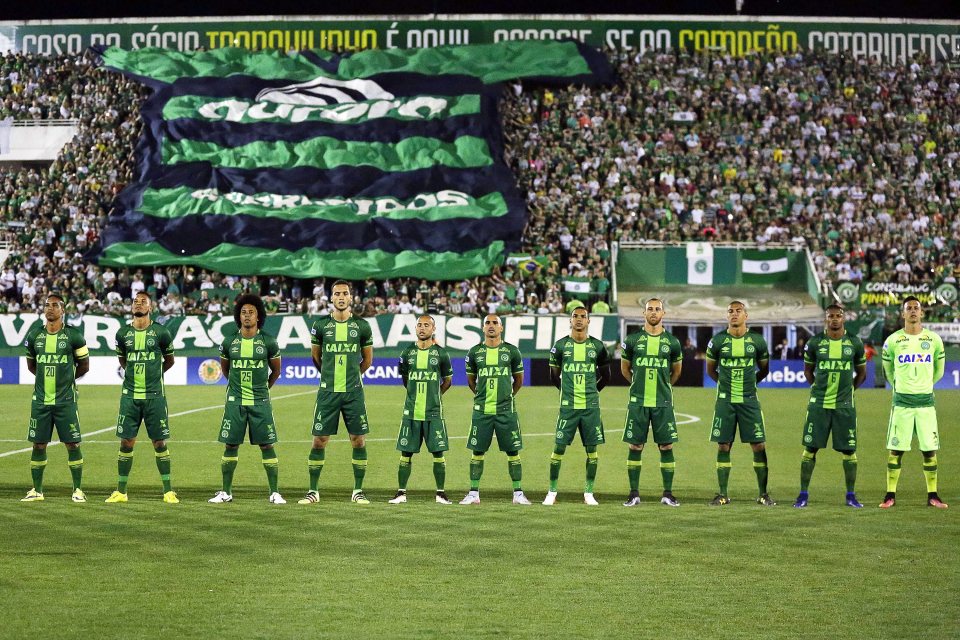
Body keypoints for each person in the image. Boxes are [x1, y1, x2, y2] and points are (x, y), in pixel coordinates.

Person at [299, 280, 373, 505]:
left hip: (353, 393)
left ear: (351, 298)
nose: (341, 297)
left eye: (345, 293)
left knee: (358, 440)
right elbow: (315, 356)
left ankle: (357, 491)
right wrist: (329, 377)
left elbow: (367, 360)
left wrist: (351, 378)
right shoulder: (321, 326)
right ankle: (313, 491)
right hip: (327, 392)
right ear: (331, 298)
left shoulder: (362, 326)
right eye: (337, 294)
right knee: (319, 440)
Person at [208, 294, 284, 504]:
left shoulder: (268, 341)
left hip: (260, 402)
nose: (247, 316)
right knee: (230, 445)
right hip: (236, 402)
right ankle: (226, 492)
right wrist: (237, 389)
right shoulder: (229, 342)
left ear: (258, 316)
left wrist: (262, 390)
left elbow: (276, 371)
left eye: (251, 312)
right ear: (238, 317)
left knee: (267, 445)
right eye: (243, 312)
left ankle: (275, 492)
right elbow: (226, 370)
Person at [105, 291, 178, 504]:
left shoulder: (161, 332)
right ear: (131, 308)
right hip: (130, 397)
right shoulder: (122, 334)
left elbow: (169, 360)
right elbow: (123, 360)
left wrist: (154, 374)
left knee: (159, 442)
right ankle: (121, 491)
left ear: (150, 307)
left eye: (143, 302)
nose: (138, 304)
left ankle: (168, 491)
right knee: (126, 443)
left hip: (155, 396)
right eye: (135, 302)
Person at [793, 304, 867, 508]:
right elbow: (808, 371)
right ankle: (803, 494)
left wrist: (849, 391)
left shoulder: (854, 342)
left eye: (838, 316)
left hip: (844, 406)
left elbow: (862, 373)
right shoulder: (815, 342)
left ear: (844, 318)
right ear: (826, 319)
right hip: (819, 405)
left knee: (849, 451)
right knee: (810, 449)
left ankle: (851, 495)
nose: (834, 319)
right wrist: (817, 389)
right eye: (830, 316)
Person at [879, 296, 948, 509]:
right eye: (908, 308)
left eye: (916, 308)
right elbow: (887, 372)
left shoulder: (934, 340)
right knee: (896, 450)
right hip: (902, 403)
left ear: (922, 313)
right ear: (902, 314)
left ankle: (933, 495)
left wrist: (925, 385)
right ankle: (890, 495)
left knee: (929, 450)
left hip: (926, 403)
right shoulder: (892, 341)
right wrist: (900, 386)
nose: (912, 311)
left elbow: (939, 371)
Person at [21, 292, 90, 502]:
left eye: (55, 305)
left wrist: (67, 381)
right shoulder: (34, 336)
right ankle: (37, 490)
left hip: (65, 401)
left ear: (63, 310)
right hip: (41, 401)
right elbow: (32, 366)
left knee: (73, 444)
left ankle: (78, 490)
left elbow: (84, 366)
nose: (50, 308)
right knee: (38, 444)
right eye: (47, 305)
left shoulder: (74, 336)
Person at [705, 301, 775, 506]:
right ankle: (723, 494)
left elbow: (764, 369)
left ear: (746, 315)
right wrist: (725, 386)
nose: (734, 314)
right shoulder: (717, 341)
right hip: (725, 402)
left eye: (738, 311)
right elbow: (711, 370)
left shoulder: (757, 341)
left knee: (758, 445)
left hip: (749, 401)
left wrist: (749, 385)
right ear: (727, 316)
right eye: (730, 312)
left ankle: (763, 494)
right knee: (724, 445)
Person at [459, 314, 530, 505]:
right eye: (487, 323)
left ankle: (518, 494)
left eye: (494, 323)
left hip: (506, 411)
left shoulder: (512, 351)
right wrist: (481, 396)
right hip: (482, 411)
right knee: (477, 451)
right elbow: (471, 381)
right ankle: (473, 493)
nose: (491, 326)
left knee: (513, 451)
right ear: (483, 328)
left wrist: (507, 397)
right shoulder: (474, 352)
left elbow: (519, 380)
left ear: (501, 328)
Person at [543, 307, 611, 506]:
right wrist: (567, 393)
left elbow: (606, 376)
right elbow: (553, 376)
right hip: (568, 408)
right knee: (558, 448)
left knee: (592, 450)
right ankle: (552, 492)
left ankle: (589, 493)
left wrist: (592, 393)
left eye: (583, 317)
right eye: (575, 316)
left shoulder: (598, 347)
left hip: (590, 408)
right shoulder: (561, 345)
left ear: (589, 321)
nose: (579, 320)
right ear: (570, 321)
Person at [619, 298, 683, 507]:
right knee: (635, 446)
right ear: (644, 313)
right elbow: (625, 368)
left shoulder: (672, 342)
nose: (653, 312)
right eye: (650, 309)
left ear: (663, 313)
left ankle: (668, 493)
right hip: (638, 402)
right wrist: (637, 384)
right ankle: (633, 493)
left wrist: (663, 387)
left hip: (662, 402)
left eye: (657, 309)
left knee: (666, 446)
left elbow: (677, 371)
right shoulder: (632, 340)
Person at [388, 315, 454, 504]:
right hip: (411, 411)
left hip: (434, 412)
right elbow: (405, 380)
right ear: (415, 328)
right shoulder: (407, 353)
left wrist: (435, 395)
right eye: (419, 325)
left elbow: (447, 381)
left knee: (438, 453)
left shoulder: (441, 354)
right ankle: (401, 493)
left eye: (427, 325)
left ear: (433, 329)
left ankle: (440, 493)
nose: (422, 328)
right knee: (406, 453)